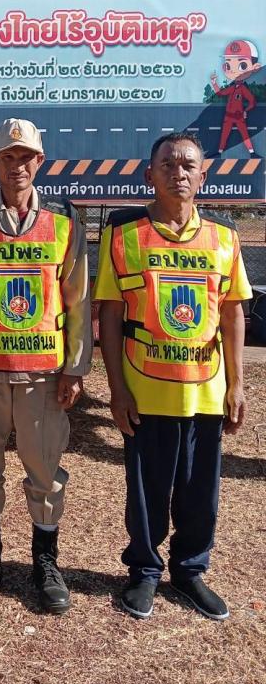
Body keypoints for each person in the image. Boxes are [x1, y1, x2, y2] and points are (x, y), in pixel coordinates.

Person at [95, 131, 250, 621]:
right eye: (167, 165)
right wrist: (116, 389)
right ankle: (143, 571)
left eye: (187, 165)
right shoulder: (124, 234)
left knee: (201, 494)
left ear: (203, 175)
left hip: (206, 389)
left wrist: (237, 384)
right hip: (145, 389)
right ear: (149, 175)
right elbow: (110, 314)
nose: (178, 173)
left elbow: (233, 312)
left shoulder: (223, 236)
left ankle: (189, 571)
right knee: (146, 493)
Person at [0, 118, 92, 614]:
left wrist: (75, 368)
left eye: (25, 156)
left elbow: (77, 300)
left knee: (45, 473)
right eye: (7, 157)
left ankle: (45, 561)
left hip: (43, 378)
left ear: (39, 161)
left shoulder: (64, 220)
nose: (17, 166)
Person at [209, 39, 261, 154]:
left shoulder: (243, 89)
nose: (232, 70)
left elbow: (252, 101)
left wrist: (246, 111)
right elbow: (221, 93)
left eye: (242, 65)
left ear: (255, 67)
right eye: (228, 65)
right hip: (228, 116)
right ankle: (219, 151)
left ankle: (252, 152)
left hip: (238, 116)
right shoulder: (232, 88)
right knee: (224, 134)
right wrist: (214, 83)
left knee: (244, 134)